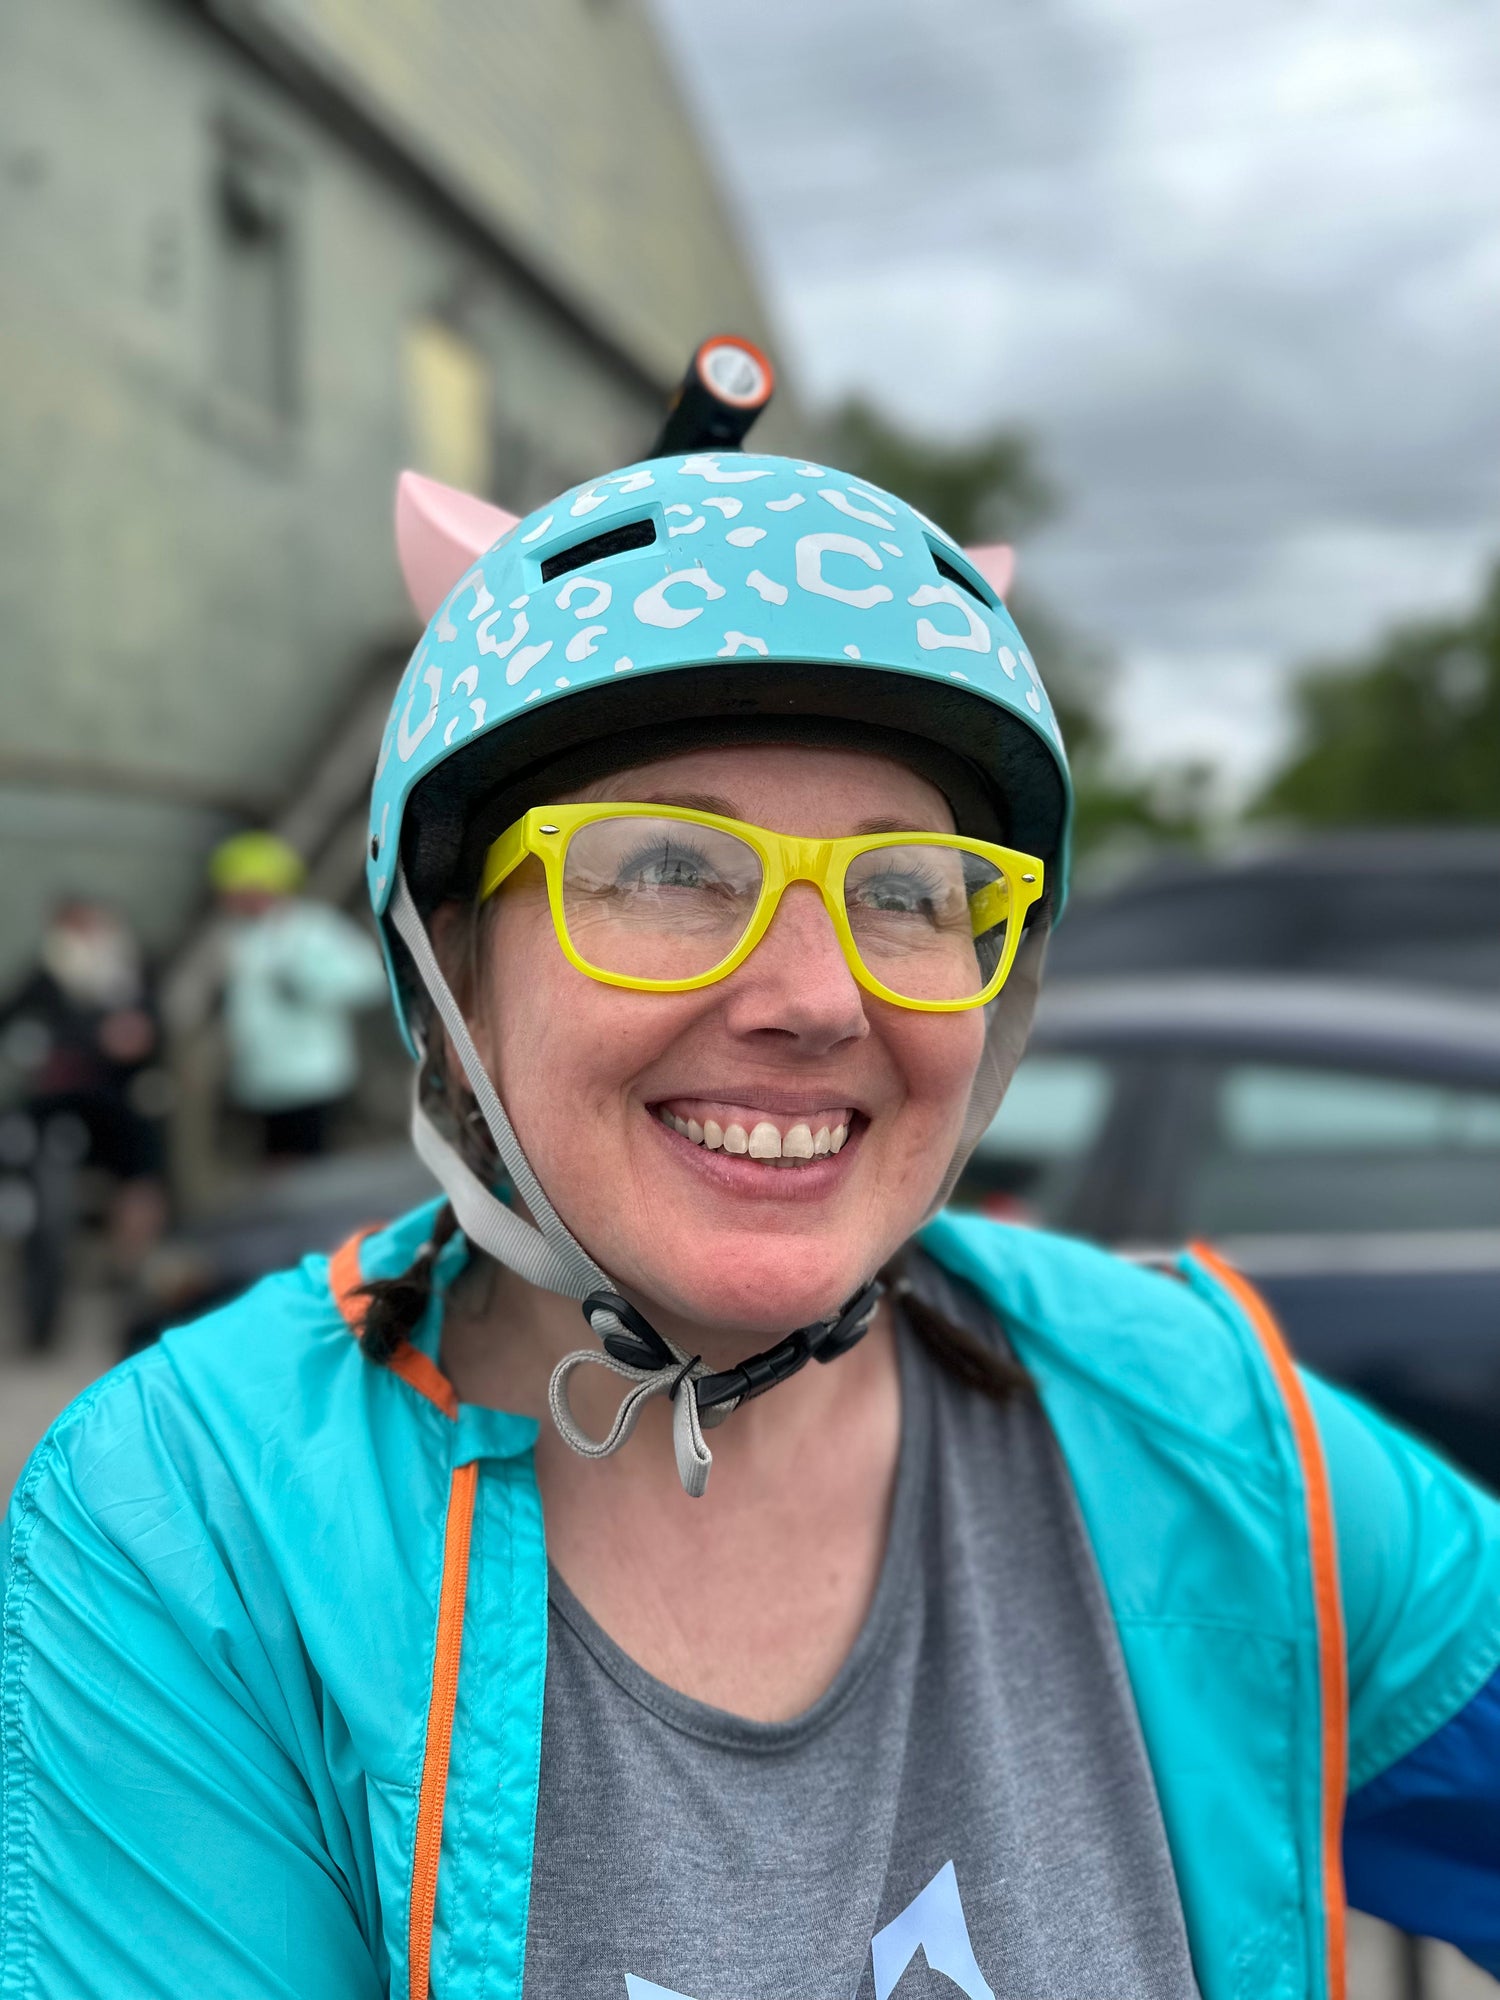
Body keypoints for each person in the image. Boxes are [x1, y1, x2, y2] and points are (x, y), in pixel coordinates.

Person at [4, 449, 1499, 2000]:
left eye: (912, 890)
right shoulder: (193, 1525)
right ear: (451, 973)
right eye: (668, 868)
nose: (814, 998)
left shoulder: (1207, 1426)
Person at [0, 897, 168, 1348]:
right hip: (60, 1105)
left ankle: (132, 1276)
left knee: (140, 1178)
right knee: (45, 1198)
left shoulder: (130, 970)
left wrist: (140, 1039)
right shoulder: (46, 976)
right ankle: (45, 1301)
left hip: (120, 1100)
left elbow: (156, 1027)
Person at [210, 830, 386, 1158]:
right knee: (278, 1167)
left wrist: (310, 985)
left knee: (312, 1169)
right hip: (259, 1082)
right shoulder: (236, 937)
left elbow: (370, 977)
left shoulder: (313, 929)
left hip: (310, 1079)